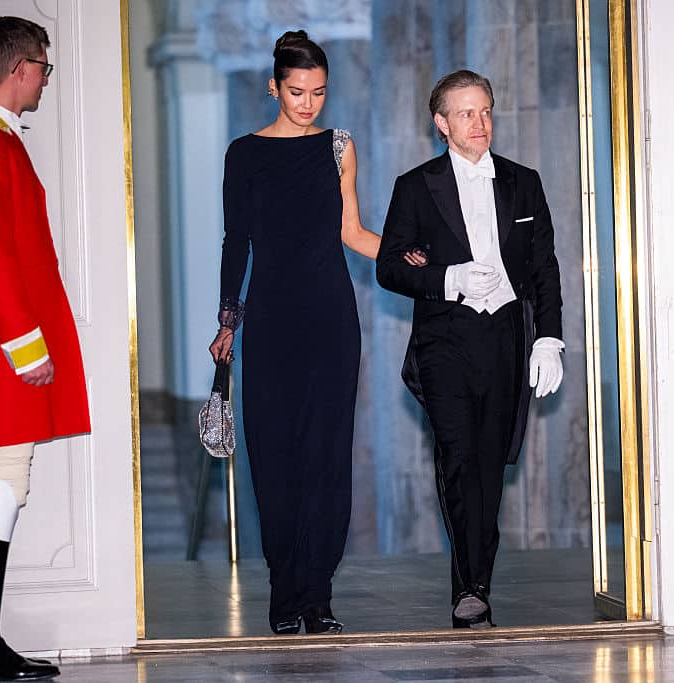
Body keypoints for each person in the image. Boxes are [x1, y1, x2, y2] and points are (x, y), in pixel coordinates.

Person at [208, 30, 423, 636]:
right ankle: (284, 592)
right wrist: (228, 320)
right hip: (271, 319)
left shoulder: (339, 147)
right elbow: (236, 242)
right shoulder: (243, 154)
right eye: (298, 92)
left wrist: (413, 257)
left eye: (319, 92)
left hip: (332, 318)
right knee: (274, 454)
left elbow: (352, 231)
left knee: (327, 456)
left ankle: (319, 596)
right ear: (274, 87)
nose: (309, 103)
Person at [376, 69, 564, 629]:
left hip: (506, 337)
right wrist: (447, 277)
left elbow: (544, 268)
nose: (479, 123)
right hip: (445, 342)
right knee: (457, 458)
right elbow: (391, 265)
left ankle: (475, 575)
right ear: (442, 123)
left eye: (485, 111)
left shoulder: (523, 182)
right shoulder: (416, 185)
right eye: (465, 114)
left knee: (488, 463)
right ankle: (472, 587)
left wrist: (548, 339)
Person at [0, 16, 90, 681]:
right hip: (1, 343)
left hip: (1, 340)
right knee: (3, 480)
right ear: (20, 68)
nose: (44, 79)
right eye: (43, 67)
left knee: (5, 480)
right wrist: (24, 343)